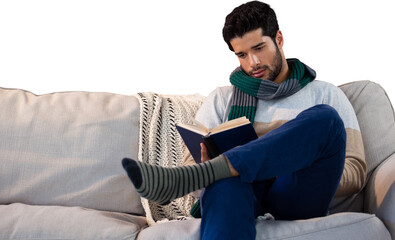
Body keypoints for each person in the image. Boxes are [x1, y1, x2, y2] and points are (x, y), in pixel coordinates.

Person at [122, 1, 366, 239]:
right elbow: (193, 177)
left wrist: (278, 163)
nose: (253, 63)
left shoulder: (325, 94)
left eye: (259, 48)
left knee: (326, 119)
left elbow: (355, 172)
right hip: (240, 195)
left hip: (297, 193)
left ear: (279, 39)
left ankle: (223, 168)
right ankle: (220, 170)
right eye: (242, 54)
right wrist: (222, 167)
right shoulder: (221, 100)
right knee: (221, 182)